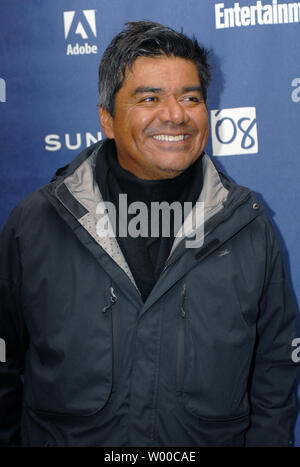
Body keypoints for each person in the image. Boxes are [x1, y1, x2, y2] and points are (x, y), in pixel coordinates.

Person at [0, 20, 299, 447]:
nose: (175, 114)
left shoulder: (247, 226)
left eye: (190, 98)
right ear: (107, 119)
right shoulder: (35, 224)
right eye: (150, 98)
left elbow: (275, 370)